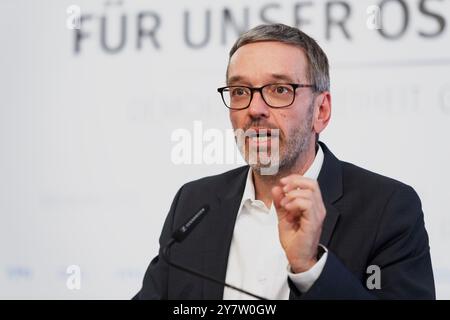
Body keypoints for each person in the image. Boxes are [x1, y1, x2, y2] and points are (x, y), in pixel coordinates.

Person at [133, 23, 435, 300]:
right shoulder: (195, 203)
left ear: (321, 111)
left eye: (279, 90)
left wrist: (309, 267)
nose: (255, 108)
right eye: (240, 91)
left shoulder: (388, 208)